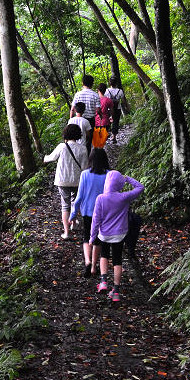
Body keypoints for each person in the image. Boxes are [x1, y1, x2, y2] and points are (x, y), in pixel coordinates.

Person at [89, 171, 145, 302]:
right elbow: (140, 187)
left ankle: (103, 282)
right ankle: (116, 291)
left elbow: (95, 220)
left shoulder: (100, 198)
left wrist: (92, 237)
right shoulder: (124, 197)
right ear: (119, 183)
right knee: (117, 261)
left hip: (104, 234)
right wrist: (127, 179)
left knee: (104, 256)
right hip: (119, 235)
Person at [43, 124, 89, 240]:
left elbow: (51, 158)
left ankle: (67, 232)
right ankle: (73, 223)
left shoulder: (61, 146)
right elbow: (85, 167)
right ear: (78, 135)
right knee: (75, 202)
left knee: (65, 205)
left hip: (62, 180)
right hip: (77, 180)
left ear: (66, 134)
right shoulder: (83, 148)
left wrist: (44, 158)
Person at [69, 148, 109, 277]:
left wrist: (73, 214)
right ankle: (93, 267)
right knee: (98, 239)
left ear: (90, 159)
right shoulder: (109, 174)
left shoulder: (85, 174)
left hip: (88, 211)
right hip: (104, 212)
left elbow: (79, 197)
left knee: (87, 237)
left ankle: (87, 261)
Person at [69, 74, 99, 152]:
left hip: (77, 120)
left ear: (82, 83)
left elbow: (72, 109)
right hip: (90, 120)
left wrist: (71, 119)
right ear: (92, 84)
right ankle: (87, 157)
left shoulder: (77, 94)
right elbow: (98, 110)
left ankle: (77, 157)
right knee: (88, 140)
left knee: (76, 139)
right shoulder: (95, 95)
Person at [92, 83, 114, 148]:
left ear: (98, 90)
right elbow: (112, 111)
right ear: (105, 90)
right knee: (103, 139)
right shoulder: (108, 100)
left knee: (97, 139)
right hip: (105, 121)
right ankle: (101, 150)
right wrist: (111, 117)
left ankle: (98, 151)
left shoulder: (94, 100)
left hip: (95, 122)